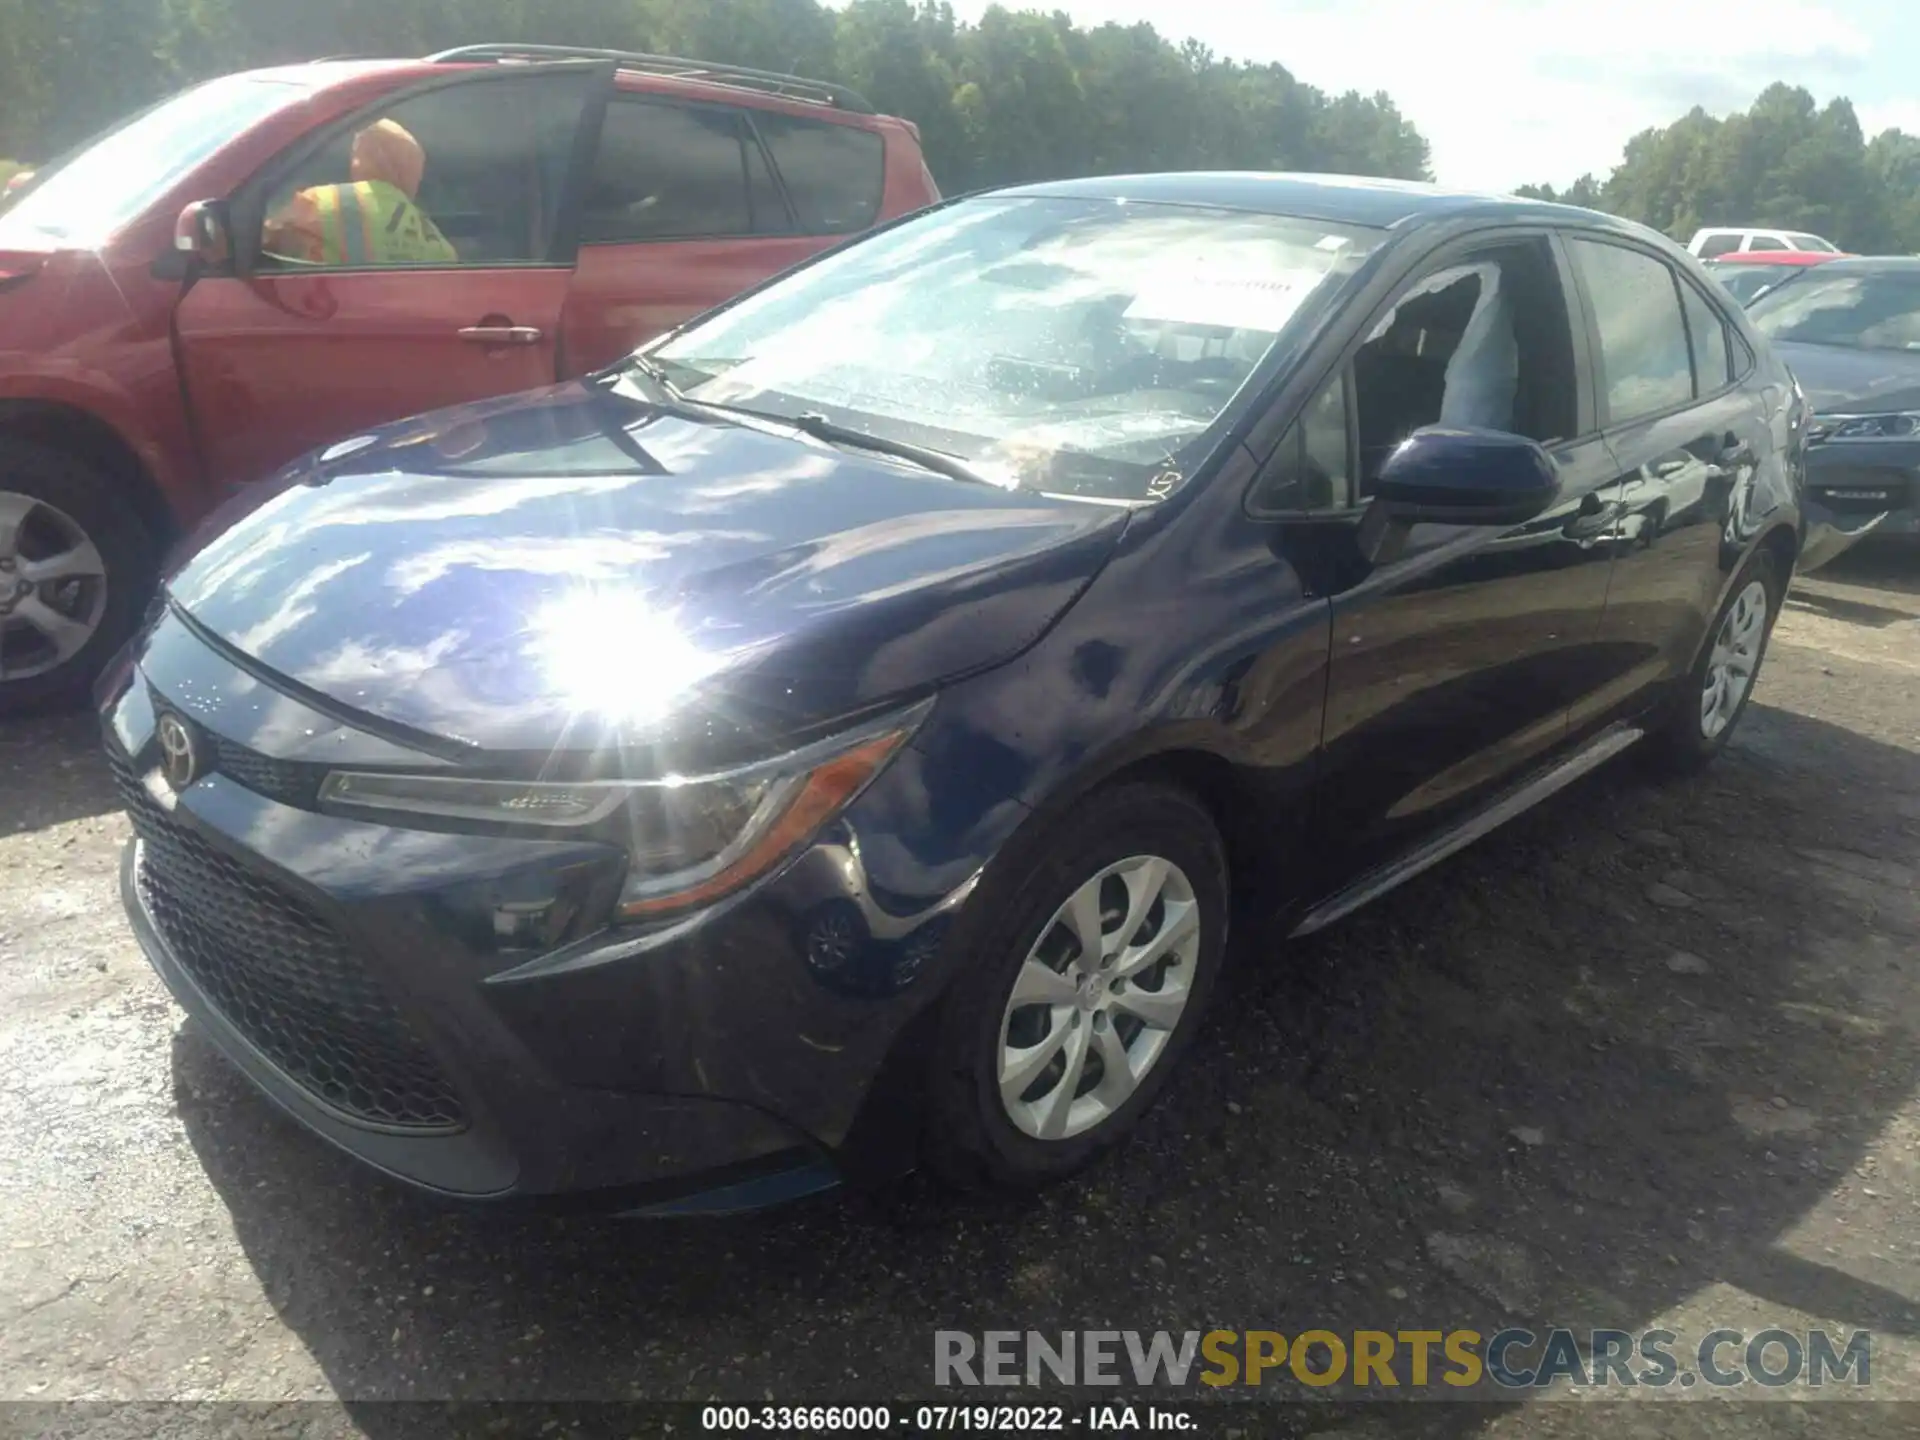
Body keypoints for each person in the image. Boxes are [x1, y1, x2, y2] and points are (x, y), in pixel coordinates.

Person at [262, 119, 457, 267]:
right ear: (414, 172)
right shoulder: (438, 243)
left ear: (362, 158)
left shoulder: (323, 201)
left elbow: (265, 240)